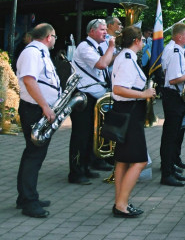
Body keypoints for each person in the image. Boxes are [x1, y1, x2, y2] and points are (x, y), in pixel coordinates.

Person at [15, 23, 61, 218]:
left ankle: (25, 197)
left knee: (33, 154)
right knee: (34, 155)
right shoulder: (33, 53)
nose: (55, 40)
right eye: (55, 37)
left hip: (39, 108)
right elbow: (29, 81)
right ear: (49, 36)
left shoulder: (39, 52)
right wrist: (44, 105)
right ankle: (29, 201)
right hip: (34, 110)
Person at [109, 27, 155, 218]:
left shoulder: (124, 57)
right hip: (129, 112)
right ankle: (121, 204)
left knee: (122, 161)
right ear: (136, 41)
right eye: (142, 40)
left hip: (126, 112)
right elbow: (119, 89)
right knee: (140, 160)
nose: (144, 43)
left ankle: (120, 201)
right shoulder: (127, 59)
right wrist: (144, 94)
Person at [68, 18, 116, 185]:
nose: (105, 32)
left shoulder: (95, 47)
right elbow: (102, 64)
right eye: (102, 29)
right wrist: (111, 47)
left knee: (90, 135)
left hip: (94, 96)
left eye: (105, 29)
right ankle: (75, 172)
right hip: (83, 97)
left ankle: (86, 166)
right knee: (80, 136)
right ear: (91, 32)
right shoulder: (84, 47)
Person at [158, 23, 185, 187]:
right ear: (179, 37)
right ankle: (167, 173)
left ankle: (170, 168)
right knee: (170, 137)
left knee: (173, 135)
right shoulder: (175, 51)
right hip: (173, 96)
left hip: (174, 96)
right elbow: (173, 79)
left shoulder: (176, 49)